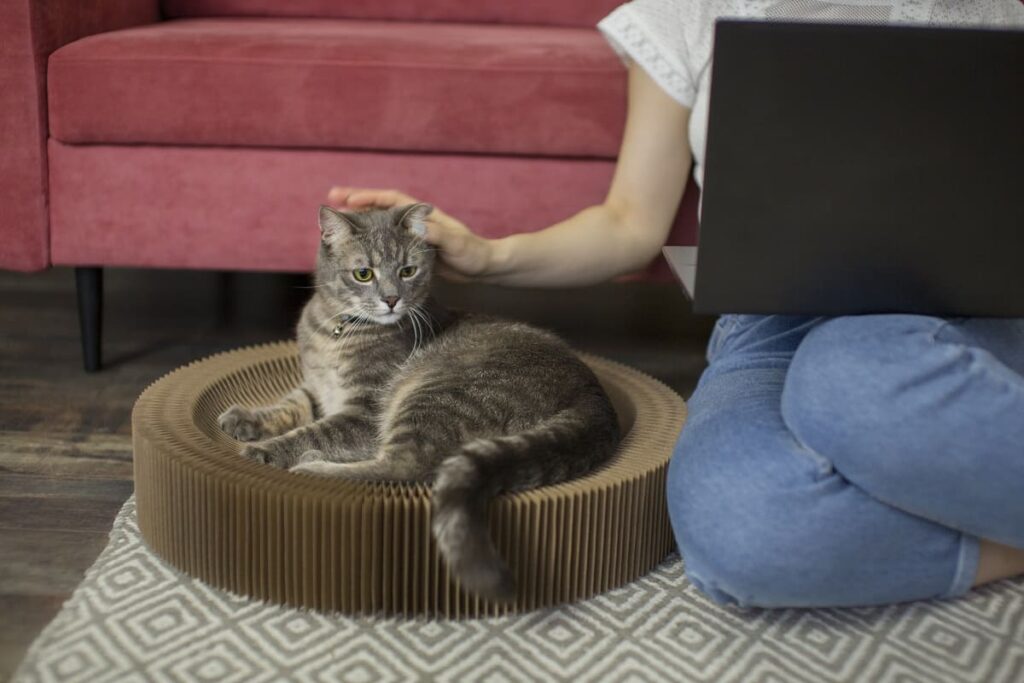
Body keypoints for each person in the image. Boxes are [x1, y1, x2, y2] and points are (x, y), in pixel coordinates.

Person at [326, 0, 1024, 608]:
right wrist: (489, 255)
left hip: (969, 312)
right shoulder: (687, 6)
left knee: (847, 376)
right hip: (772, 327)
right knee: (733, 525)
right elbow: (630, 224)